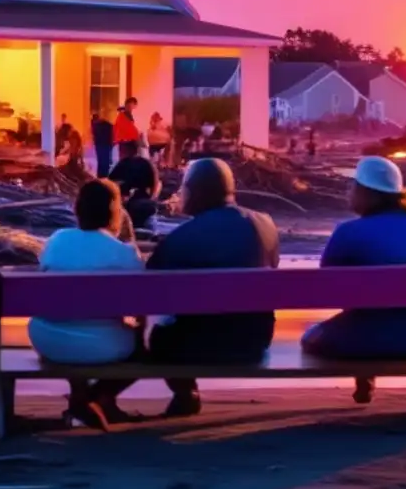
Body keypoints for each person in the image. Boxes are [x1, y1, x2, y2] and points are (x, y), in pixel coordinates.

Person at [89, 158, 280, 422]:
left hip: (202, 347)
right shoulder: (266, 225)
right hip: (255, 341)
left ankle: (101, 395)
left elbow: (145, 292)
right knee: (185, 324)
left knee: (158, 335)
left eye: (184, 188)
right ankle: (183, 396)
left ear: (198, 191)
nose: (180, 194)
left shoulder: (183, 238)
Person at [301, 156, 406, 404]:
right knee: (369, 316)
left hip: (365, 340)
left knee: (312, 335)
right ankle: (365, 375)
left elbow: (326, 284)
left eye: (353, 186)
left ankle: (364, 373)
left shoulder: (348, 231)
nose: (348, 192)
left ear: (368, 193)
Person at [26, 179, 144, 426]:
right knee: (139, 344)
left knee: (72, 321)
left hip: (48, 340)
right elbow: (139, 306)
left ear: (77, 209)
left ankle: (83, 398)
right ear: (115, 212)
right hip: (104, 346)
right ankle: (97, 398)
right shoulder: (124, 252)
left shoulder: (57, 240)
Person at [108, 140, 160, 229]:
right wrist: (152, 198)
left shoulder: (122, 164)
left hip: (127, 207)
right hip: (146, 204)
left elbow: (110, 185)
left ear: (124, 150)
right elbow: (155, 185)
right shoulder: (147, 163)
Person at [91, 111, 114, 177]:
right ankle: (104, 176)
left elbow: (94, 135)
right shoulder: (109, 125)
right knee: (105, 162)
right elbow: (111, 135)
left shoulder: (96, 126)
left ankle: (101, 176)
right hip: (106, 145)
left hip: (100, 145)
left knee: (101, 162)